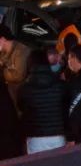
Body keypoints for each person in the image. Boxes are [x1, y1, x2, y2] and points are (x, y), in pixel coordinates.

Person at [18, 50, 66, 154]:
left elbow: (22, 108)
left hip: (35, 137)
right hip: (58, 135)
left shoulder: (24, 88)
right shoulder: (59, 84)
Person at [0, 26, 31, 158]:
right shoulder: (3, 54)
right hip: (8, 105)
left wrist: (3, 66)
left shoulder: (21, 51)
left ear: (2, 39)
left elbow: (16, 76)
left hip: (20, 103)